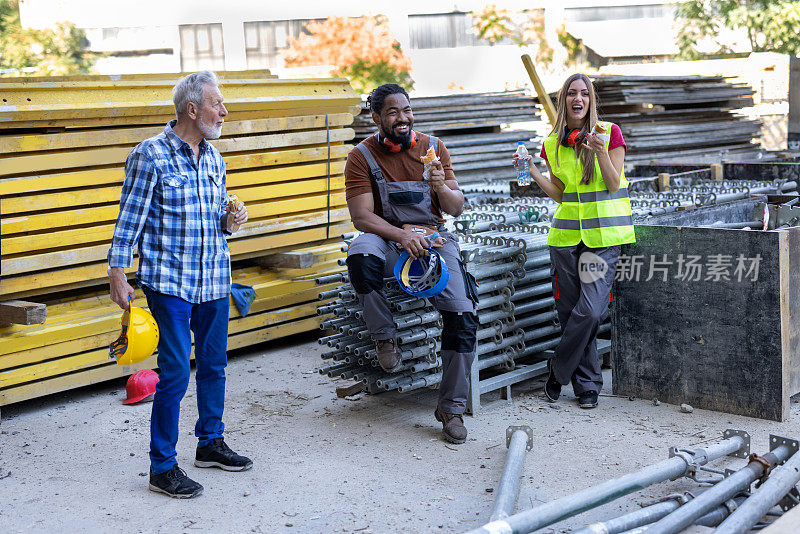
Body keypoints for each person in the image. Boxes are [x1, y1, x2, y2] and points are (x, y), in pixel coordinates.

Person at [107, 71, 252, 499]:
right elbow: (129, 218)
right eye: (217, 105)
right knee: (173, 372)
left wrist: (231, 221)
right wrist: (118, 271)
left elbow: (216, 223)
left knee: (214, 366)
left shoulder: (213, 158)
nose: (224, 112)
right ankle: (162, 467)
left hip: (213, 279)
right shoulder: (149, 155)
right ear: (193, 109)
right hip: (170, 281)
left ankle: (209, 442)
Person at [344, 84, 479, 444]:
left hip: (433, 238)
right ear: (376, 117)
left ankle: (450, 408)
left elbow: (454, 208)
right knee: (360, 256)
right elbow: (361, 217)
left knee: (463, 316)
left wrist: (441, 186)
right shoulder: (361, 156)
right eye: (392, 112)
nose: (402, 118)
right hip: (387, 237)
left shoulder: (433, 149)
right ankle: (384, 337)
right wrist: (401, 235)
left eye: (406, 110)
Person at [524, 73, 635, 409]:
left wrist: (600, 152)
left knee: (589, 312)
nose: (578, 99)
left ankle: (558, 371)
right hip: (566, 237)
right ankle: (587, 387)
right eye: (571, 93)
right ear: (563, 101)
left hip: (603, 238)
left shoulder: (609, 133)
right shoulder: (552, 142)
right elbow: (561, 194)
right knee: (569, 311)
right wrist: (534, 173)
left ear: (591, 100)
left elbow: (614, 184)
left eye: (584, 94)